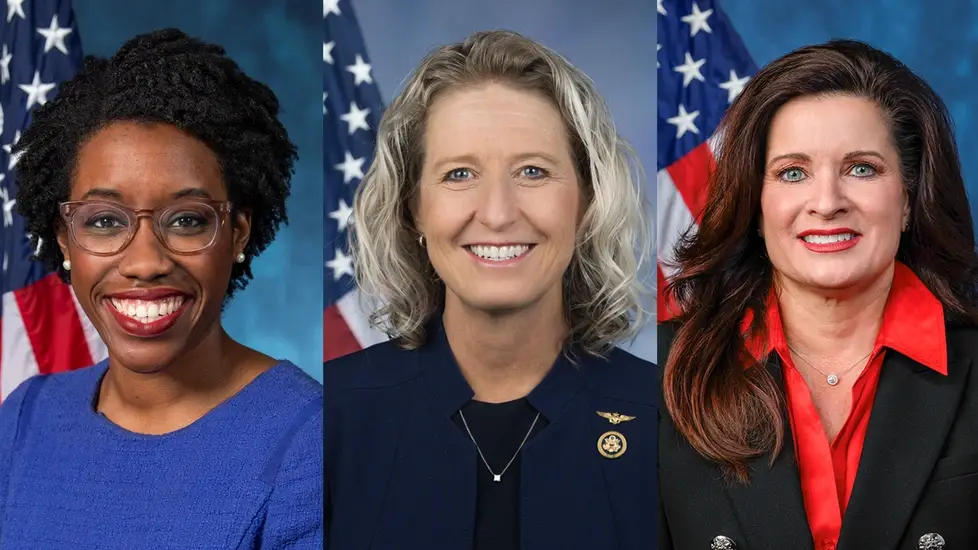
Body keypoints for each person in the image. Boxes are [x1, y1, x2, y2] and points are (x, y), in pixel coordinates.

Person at [325, 30, 656, 550]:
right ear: (414, 207)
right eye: (459, 174)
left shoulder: (667, 422)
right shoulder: (325, 419)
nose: (498, 212)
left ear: (587, 202)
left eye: (532, 171)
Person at [0, 29, 322, 549]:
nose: (145, 262)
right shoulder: (24, 418)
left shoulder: (310, 445)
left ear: (236, 233)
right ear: (64, 239)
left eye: (187, 220)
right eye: (104, 221)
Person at [658, 39, 978, 549]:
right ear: (755, 206)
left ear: (909, 201)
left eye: (862, 168)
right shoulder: (659, 373)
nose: (827, 202)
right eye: (792, 172)